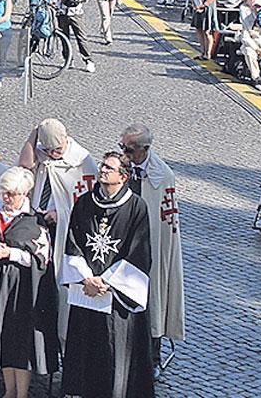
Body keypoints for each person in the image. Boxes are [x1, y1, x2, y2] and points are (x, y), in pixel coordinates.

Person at [60, 151, 155, 398]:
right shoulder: (84, 203)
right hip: (86, 292)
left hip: (115, 298)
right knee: (84, 351)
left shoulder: (136, 208)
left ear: (122, 177)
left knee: (114, 354)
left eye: (109, 168)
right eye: (103, 166)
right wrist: (85, 278)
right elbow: (73, 241)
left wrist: (106, 282)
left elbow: (139, 252)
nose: (102, 170)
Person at [0, 166, 57, 398]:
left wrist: (12, 254)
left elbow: (41, 259)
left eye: (11, 194)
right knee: (2, 337)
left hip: (22, 291)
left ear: (24, 194)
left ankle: (22, 392)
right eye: (4, 192)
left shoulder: (34, 221)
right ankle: (9, 390)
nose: (6, 198)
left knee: (20, 341)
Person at [24, 117, 99, 345]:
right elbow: (24, 168)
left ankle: (61, 335)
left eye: (57, 149)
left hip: (62, 231)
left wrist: (59, 214)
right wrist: (32, 136)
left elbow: (86, 207)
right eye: (48, 150)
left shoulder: (82, 162)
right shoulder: (42, 154)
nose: (53, 154)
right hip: (37, 223)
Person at [120, 123, 185, 350]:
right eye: (122, 147)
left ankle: (152, 354)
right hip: (122, 242)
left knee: (152, 294)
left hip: (148, 245)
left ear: (144, 149)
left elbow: (165, 220)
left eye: (129, 150)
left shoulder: (162, 175)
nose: (124, 154)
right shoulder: (120, 167)